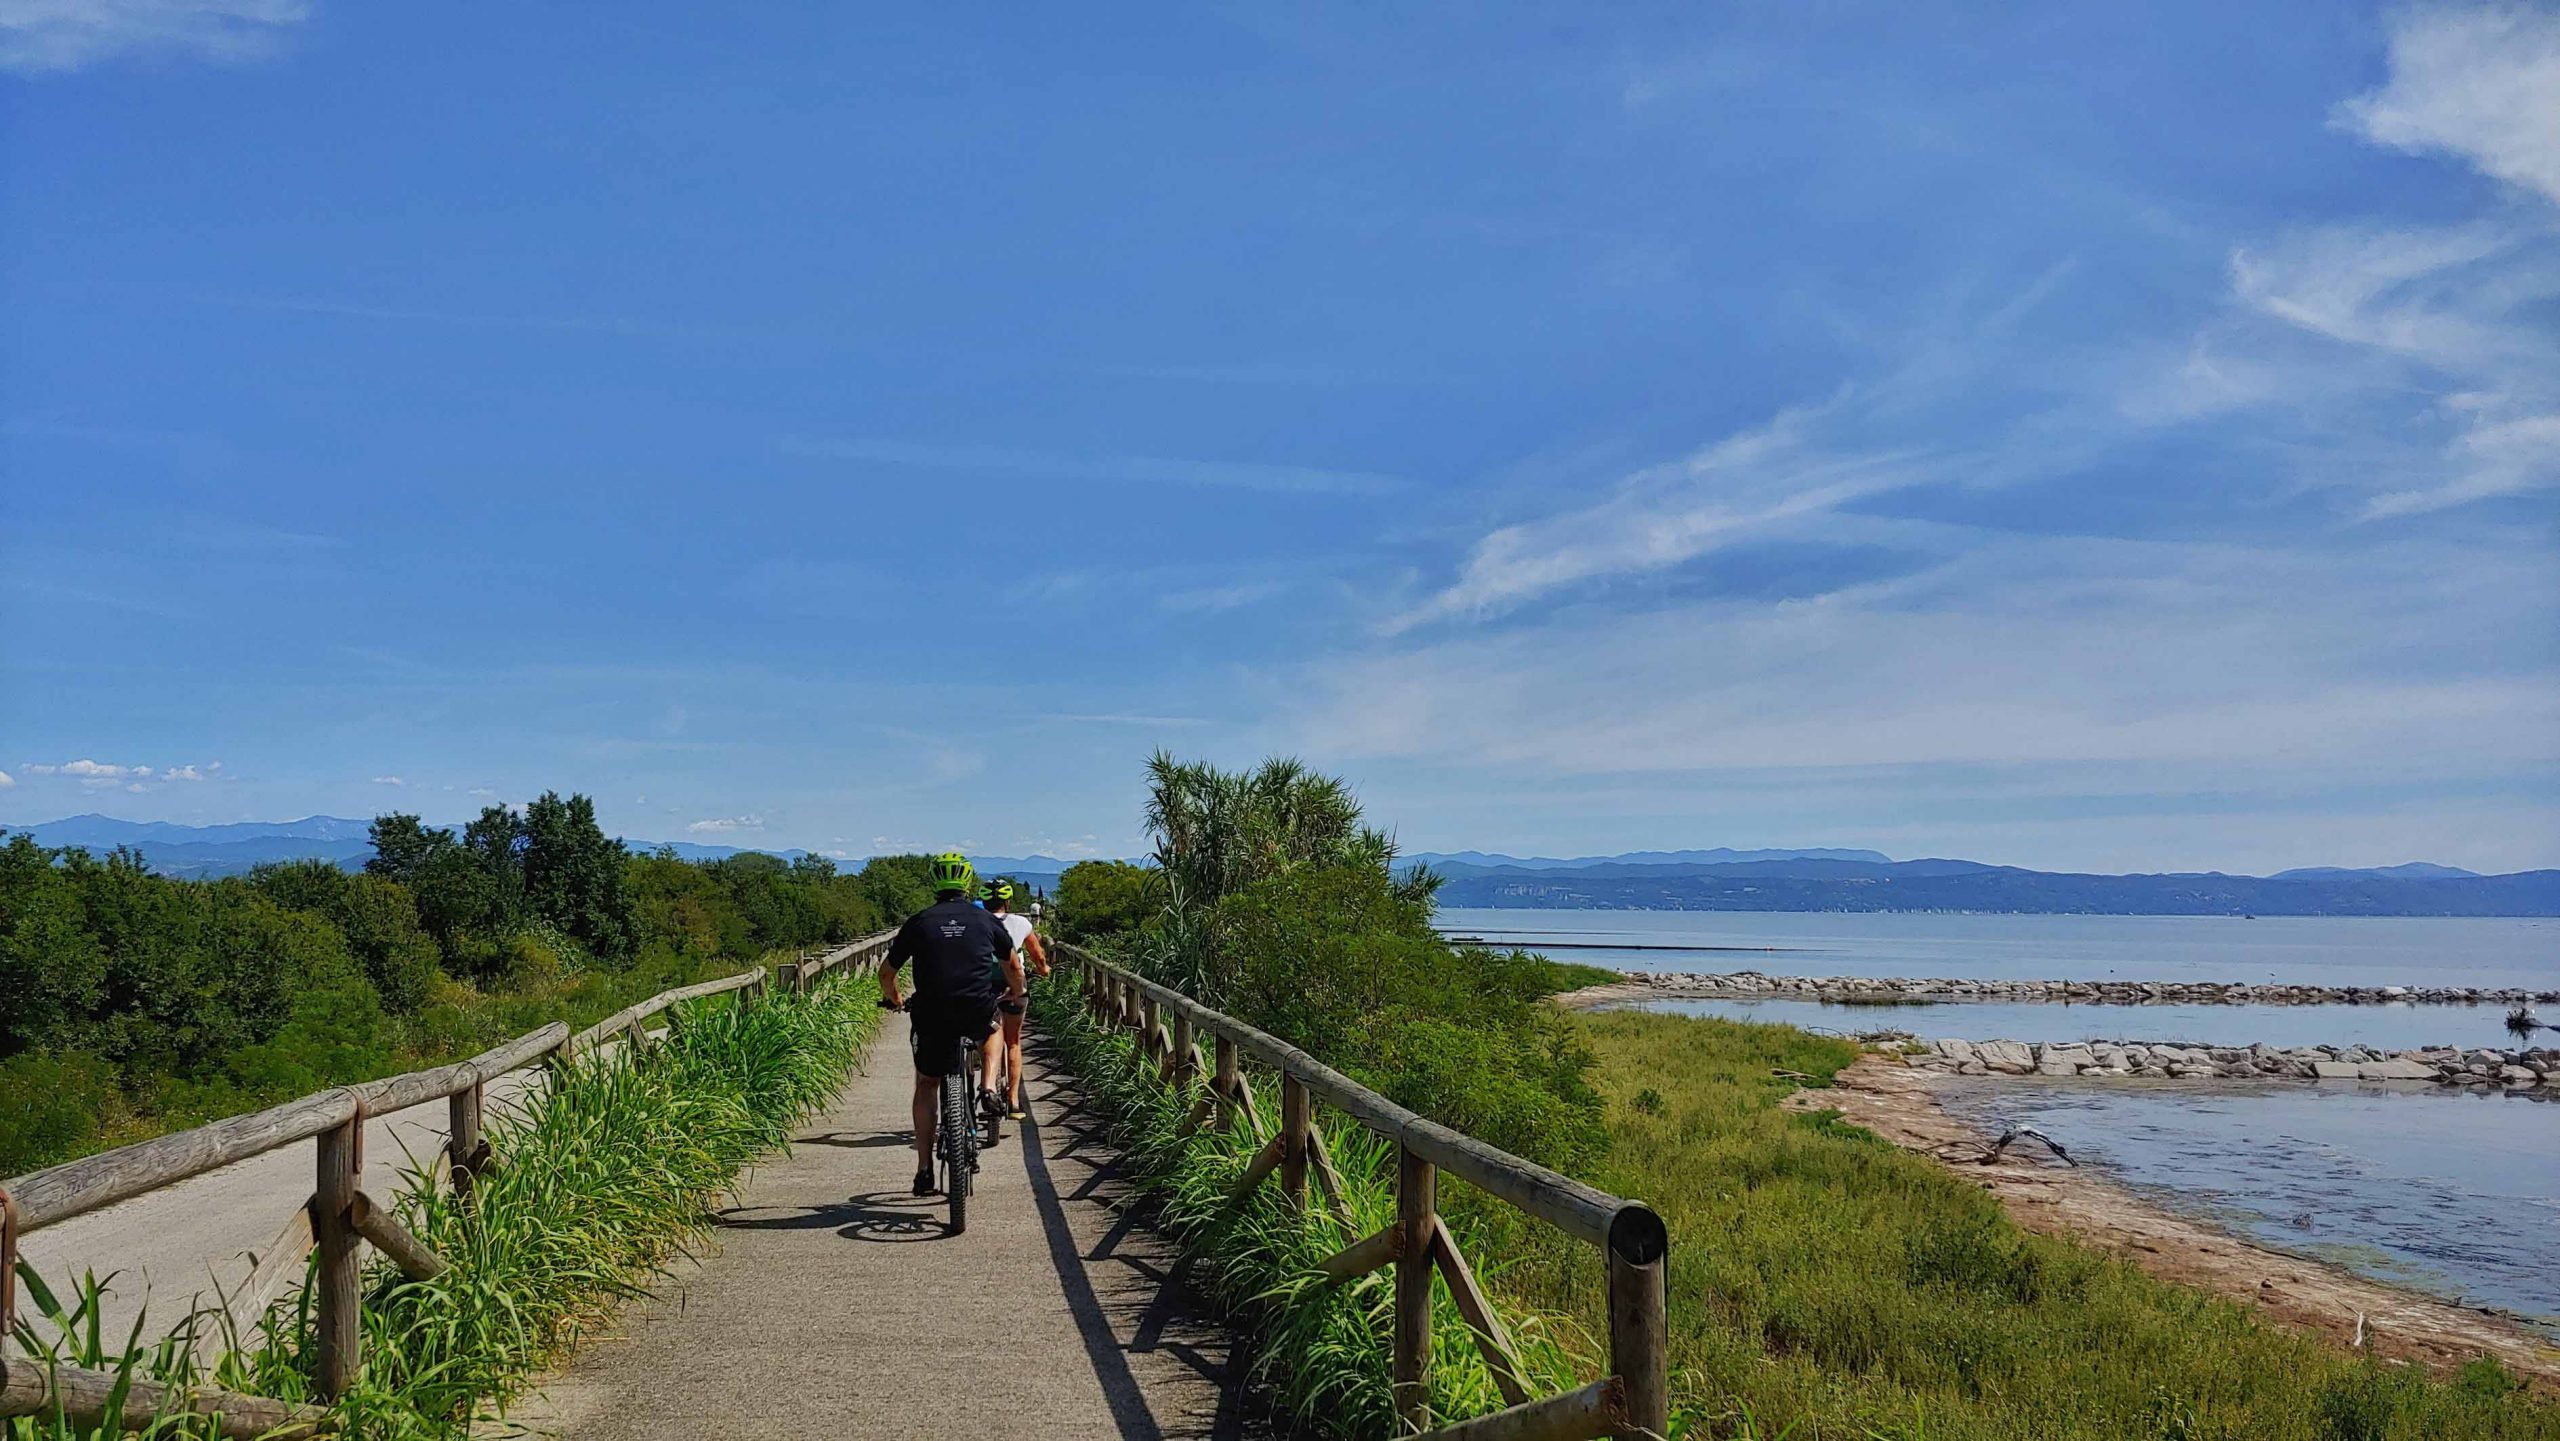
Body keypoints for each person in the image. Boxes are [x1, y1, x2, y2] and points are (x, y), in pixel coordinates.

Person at [879, 853, 1023, 1197]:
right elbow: (1014, 968)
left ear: (934, 883)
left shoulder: (919, 922)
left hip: (930, 1011)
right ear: (968, 883)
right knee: (993, 1029)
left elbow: (886, 973)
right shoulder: (986, 920)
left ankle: (924, 1170)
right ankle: (988, 1087)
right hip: (976, 1006)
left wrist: (895, 998)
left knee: (927, 1084)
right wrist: (1016, 992)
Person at [982, 880, 1050, 1120]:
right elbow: (1037, 955)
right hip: (1015, 988)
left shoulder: (977, 922)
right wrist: (1044, 970)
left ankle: (986, 1085)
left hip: (984, 989)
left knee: (988, 1038)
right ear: (1007, 902)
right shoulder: (1021, 923)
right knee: (1013, 1042)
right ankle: (1013, 1101)